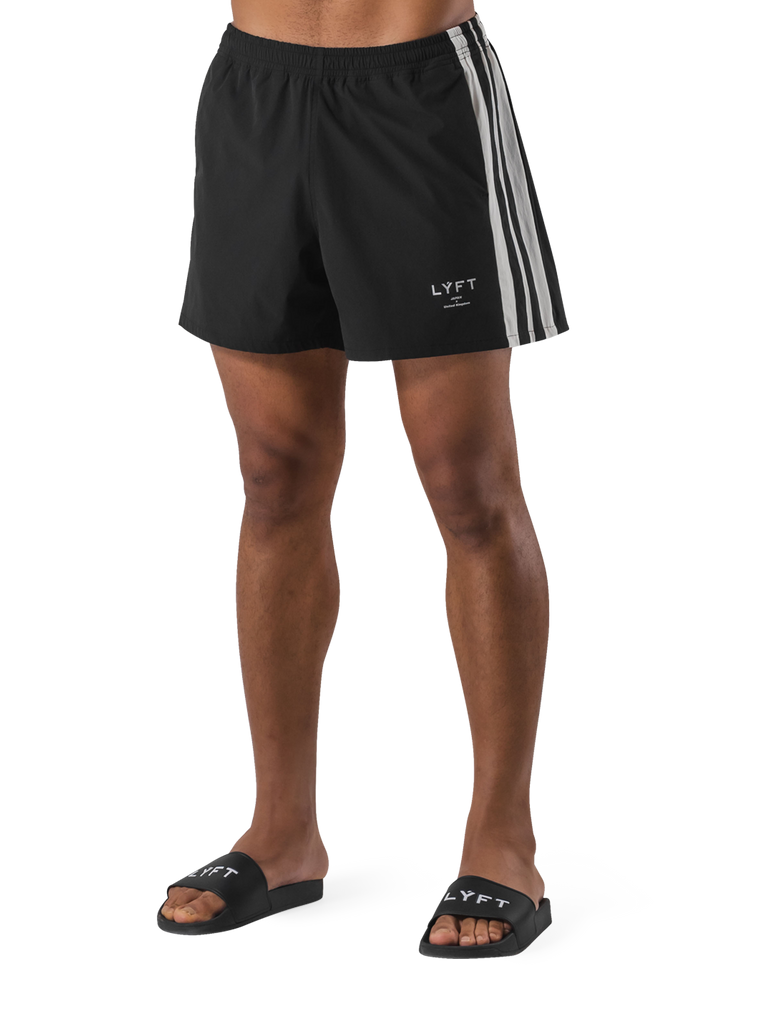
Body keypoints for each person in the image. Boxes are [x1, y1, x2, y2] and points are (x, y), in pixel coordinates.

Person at [157, 0, 570, 960]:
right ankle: (282, 829)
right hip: (255, 88)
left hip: (416, 86)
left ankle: (504, 833)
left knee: (467, 485)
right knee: (273, 475)